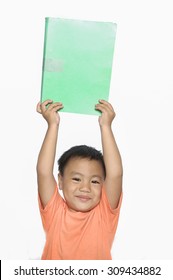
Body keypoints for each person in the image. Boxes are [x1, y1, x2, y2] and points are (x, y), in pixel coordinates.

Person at [36, 99, 123, 260]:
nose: (85, 188)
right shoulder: (55, 212)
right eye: (76, 179)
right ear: (60, 181)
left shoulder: (104, 214)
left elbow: (115, 174)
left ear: (104, 184)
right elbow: (43, 172)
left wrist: (106, 127)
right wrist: (53, 125)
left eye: (95, 181)